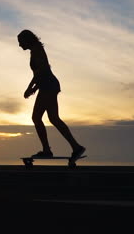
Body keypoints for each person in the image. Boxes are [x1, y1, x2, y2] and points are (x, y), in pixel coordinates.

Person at [17, 29, 86, 161]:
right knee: (53, 118)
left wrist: (31, 88)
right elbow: (39, 73)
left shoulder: (37, 50)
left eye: (20, 42)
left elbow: (42, 72)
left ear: (27, 39)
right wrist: (32, 88)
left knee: (37, 118)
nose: (19, 45)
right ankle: (76, 147)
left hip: (48, 86)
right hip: (48, 86)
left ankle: (47, 150)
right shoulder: (35, 50)